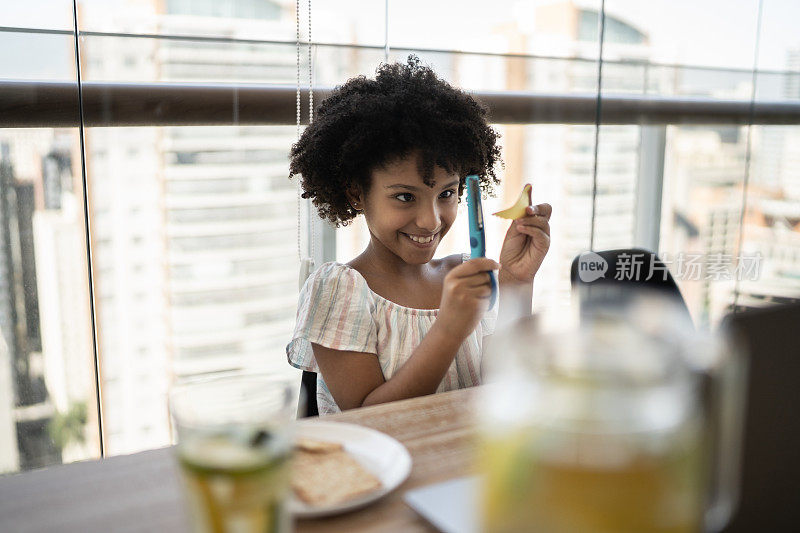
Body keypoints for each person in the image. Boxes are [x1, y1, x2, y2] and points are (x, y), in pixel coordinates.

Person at [287, 56, 551, 414]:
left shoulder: (464, 273)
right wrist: (449, 330)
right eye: (404, 197)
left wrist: (518, 282)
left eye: (446, 194)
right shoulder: (339, 290)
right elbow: (367, 417)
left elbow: (502, 387)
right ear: (355, 193)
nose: (430, 221)